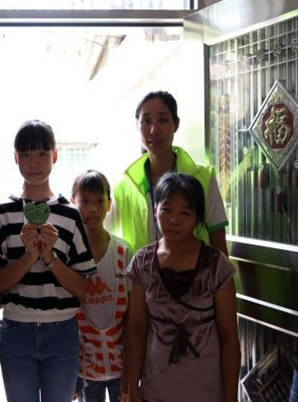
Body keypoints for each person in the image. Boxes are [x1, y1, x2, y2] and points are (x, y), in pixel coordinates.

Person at [0, 120, 97, 402]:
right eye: (26, 154)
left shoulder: (70, 214)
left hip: (62, 330)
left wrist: (50, 257)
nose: (34, 163)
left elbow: (83, 288)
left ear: (55, 155)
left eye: (41, 154)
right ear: (15, 157)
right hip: (16, 330)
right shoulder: (3, 213)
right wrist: (29, 257)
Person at [126, 172, 240, 402]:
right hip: (155, 390)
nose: (174, 220)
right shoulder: (142, 262)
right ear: (155, 210)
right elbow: (136, 328)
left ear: (198, 218)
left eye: (185, 213)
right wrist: (132, 385)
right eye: (166, 210)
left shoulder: (216, 265)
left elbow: (229, 336)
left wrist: (231, 397)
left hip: (206, 392)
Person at [107, 91, 228, 254]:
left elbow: (219, 244)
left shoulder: (203, 178)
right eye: (146, 121)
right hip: (142, 271)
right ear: (137, 126)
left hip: (195, 271)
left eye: (162, 120)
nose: (153, 130)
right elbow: (102, 235)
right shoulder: (124, 187)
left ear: (176, 124)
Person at [70, 170, 133, 402]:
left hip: (121, 367)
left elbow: (132, 317)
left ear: (109, 204)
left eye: (99, 201)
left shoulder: (123, 252)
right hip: (85, 369)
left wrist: (132, 370)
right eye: (85, 201)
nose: (93, 209)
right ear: (73, 202)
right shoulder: (69, 256)